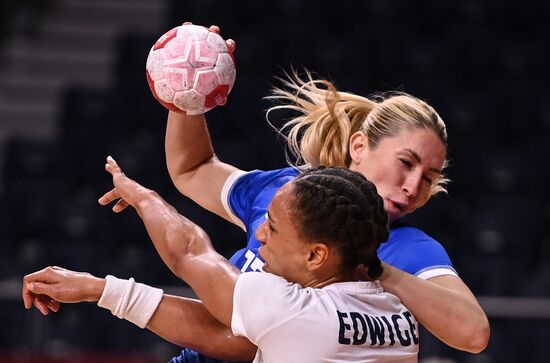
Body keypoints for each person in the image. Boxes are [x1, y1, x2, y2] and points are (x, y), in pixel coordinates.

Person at [161, 25, 489, 361]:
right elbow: (192, 169)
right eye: (406, 163)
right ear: (359, 146)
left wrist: (376, 269)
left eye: (429, 178)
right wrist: (188, 93)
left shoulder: (406, 246)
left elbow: (474, 333)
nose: (413, 187)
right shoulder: (287, 193)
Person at [23, 158, 421, 362]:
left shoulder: (296, 311)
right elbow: (228, 338)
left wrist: (143, 198)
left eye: (273, 228)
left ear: (316, 255)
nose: (259, 235)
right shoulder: (401, 318)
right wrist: (100, 289)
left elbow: (190, 253)